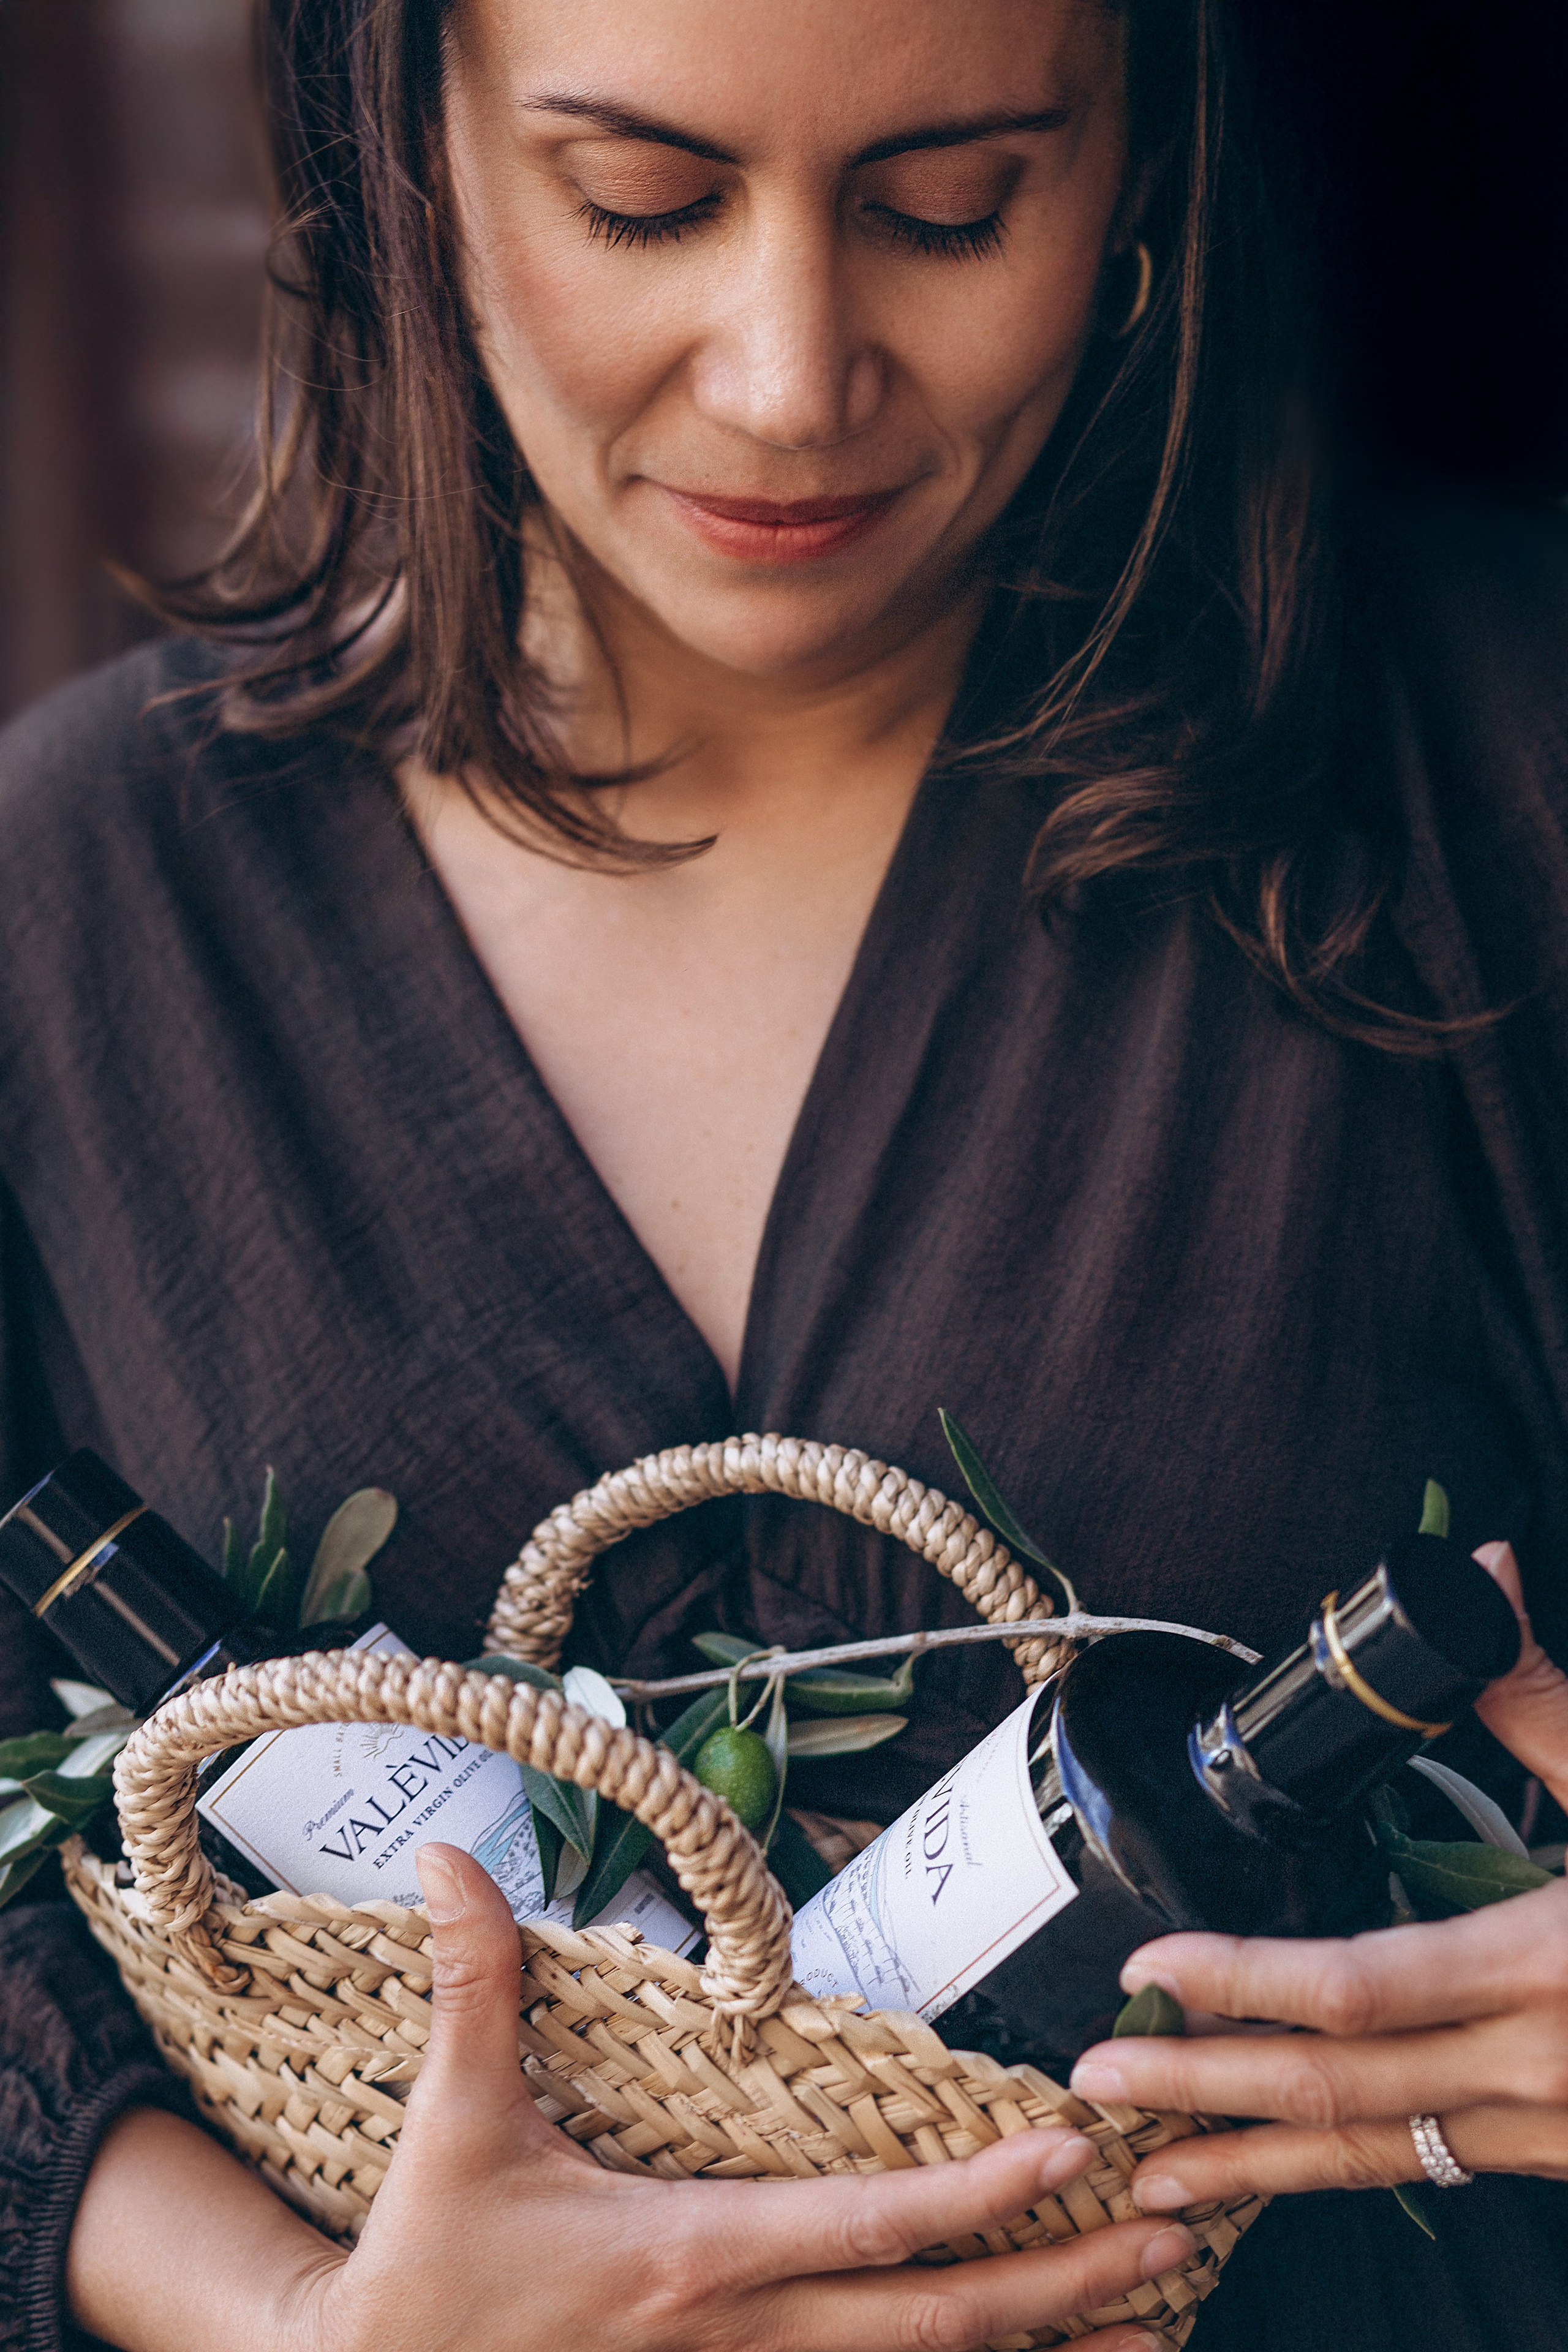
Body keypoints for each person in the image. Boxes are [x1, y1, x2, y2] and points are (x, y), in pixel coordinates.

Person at [0, 0, 1564, 2347]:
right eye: (639, 199)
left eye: (953, 206)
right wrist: (294, 2327)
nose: (786, 376)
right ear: (396, 142)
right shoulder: (72, 912)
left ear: (1153, 158)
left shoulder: (1499, 776)